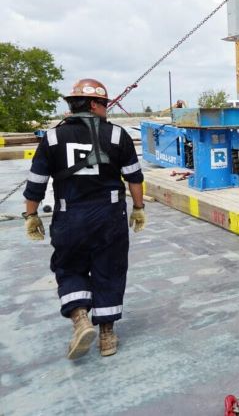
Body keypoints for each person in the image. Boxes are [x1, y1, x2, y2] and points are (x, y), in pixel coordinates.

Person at [23, 78, 147, 359]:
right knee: (109, 269)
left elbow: (36, 183)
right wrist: (138, 207)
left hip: (70, 216)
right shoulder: (117, 136)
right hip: (109, 216)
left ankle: (80, 318)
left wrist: (31, 214)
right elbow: (134, 177)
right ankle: (107, 336)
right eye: (104, 104)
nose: (107, 109)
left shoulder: (53, 138)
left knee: (69, 267)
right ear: (93, 104)